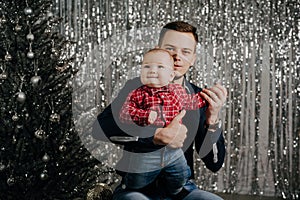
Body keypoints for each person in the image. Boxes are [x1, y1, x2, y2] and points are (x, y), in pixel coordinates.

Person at [92, 21, 227, 200]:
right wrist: (152, 137)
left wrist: (213, 119)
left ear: (193, 59)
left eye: (185, 52)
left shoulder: (197, 97)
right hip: (138, 188)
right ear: (158, 51)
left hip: (181, 189)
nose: (177, 57)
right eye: (170, 48)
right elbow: (100, 128)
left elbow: (214, 163)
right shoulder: (135, 88)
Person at [118, 48, 207, 197]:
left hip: (173, 150)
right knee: (138, 181)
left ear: (171, 75)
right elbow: (124, 114)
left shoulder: (177, 91)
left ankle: (174, 192)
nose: (152, 70)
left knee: (180, 175)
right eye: (147, 66)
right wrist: (144, 115)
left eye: (160, 67)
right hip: (147, 151)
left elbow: (191, 102)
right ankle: (129, 185)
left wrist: (207, 97)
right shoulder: (137, 93)